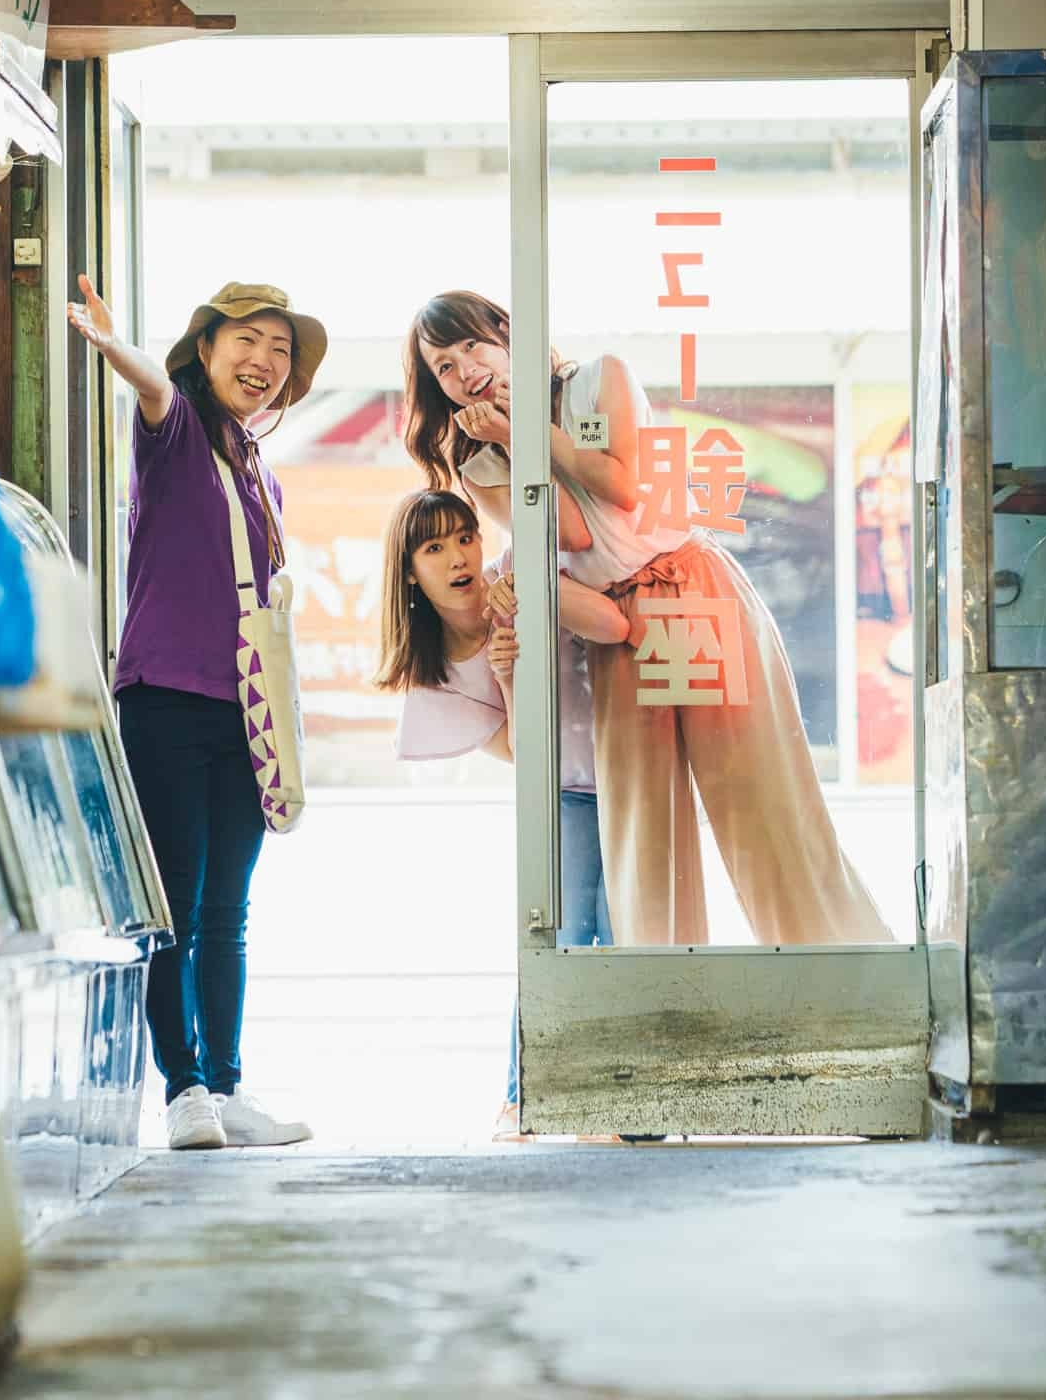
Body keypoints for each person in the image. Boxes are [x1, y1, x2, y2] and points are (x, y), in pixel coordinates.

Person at [401, 291, 891, 948]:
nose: (465, 372)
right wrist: (511, 446)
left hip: (684, 589)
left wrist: (527, 430)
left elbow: (629, 488)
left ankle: (836, 962)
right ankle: (664, 1007)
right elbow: (570, 533)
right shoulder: (480, 461)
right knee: (641, 827)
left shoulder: (601, 378)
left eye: (471, 345)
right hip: (617, 625)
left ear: (506, 332)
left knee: (757, 801)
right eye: (444, 368)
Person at [67, 276, 322, 1150]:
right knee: (175, 902)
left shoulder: (261, 475)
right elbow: (152, 390)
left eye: (280, 351)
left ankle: (225, 1083)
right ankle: (182, 1094)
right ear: (206, 351)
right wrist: (114, 349)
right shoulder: (176, 437)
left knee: (227, 911)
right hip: (167, 697)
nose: (264, 362)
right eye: (246, 341)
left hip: (243, 713)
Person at [373, 488, 628, 1135]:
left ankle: (626, 1095)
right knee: (563, 938)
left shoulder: (515, 575)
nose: (459, 556)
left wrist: (535, 593)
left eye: (464, 537)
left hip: (632, 762)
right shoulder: (437, 678)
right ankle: (527, 1098)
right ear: (409, 569)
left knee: (628, 932)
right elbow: (521, 751)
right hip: (568, 786)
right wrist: (509, 675)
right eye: (434, 547)